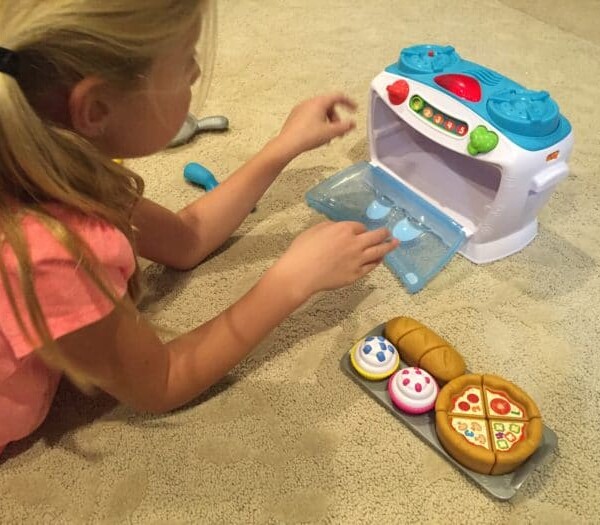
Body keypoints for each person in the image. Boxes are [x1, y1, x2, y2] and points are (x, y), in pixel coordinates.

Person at [0, 0, 398, 455]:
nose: (193, 73)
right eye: (184, 59)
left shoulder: (47, 156)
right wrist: (293, 280)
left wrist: (280, 148)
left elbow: (184, 240)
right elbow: (161, 383)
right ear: (94, 109)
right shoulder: (52, 248)